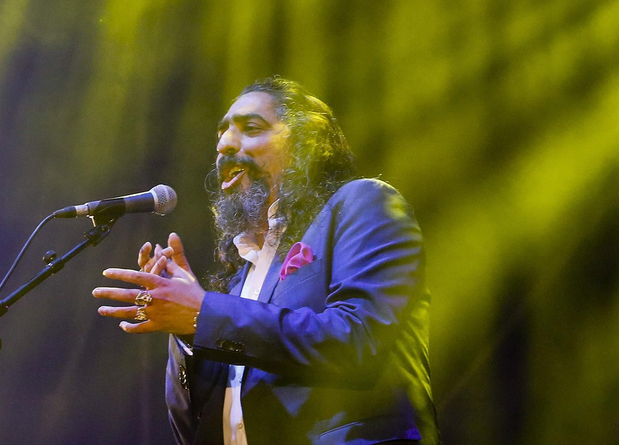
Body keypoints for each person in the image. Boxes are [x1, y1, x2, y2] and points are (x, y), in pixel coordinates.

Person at [92, 76, 436, 445]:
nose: (225, 144)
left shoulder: (363, 202)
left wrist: (203, 312)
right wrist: (188, 331)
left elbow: (359, 341)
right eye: (221, 134)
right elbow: (191, 429)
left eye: (251, 128)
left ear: (307, 143)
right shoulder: (243, 281)